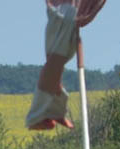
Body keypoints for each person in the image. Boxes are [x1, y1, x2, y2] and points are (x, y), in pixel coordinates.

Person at [26, 0, 107, 130]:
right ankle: (43, 114)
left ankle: (50, 112)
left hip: (65, 14)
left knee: (55, 64)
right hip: (63, 13)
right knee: (55, 64)